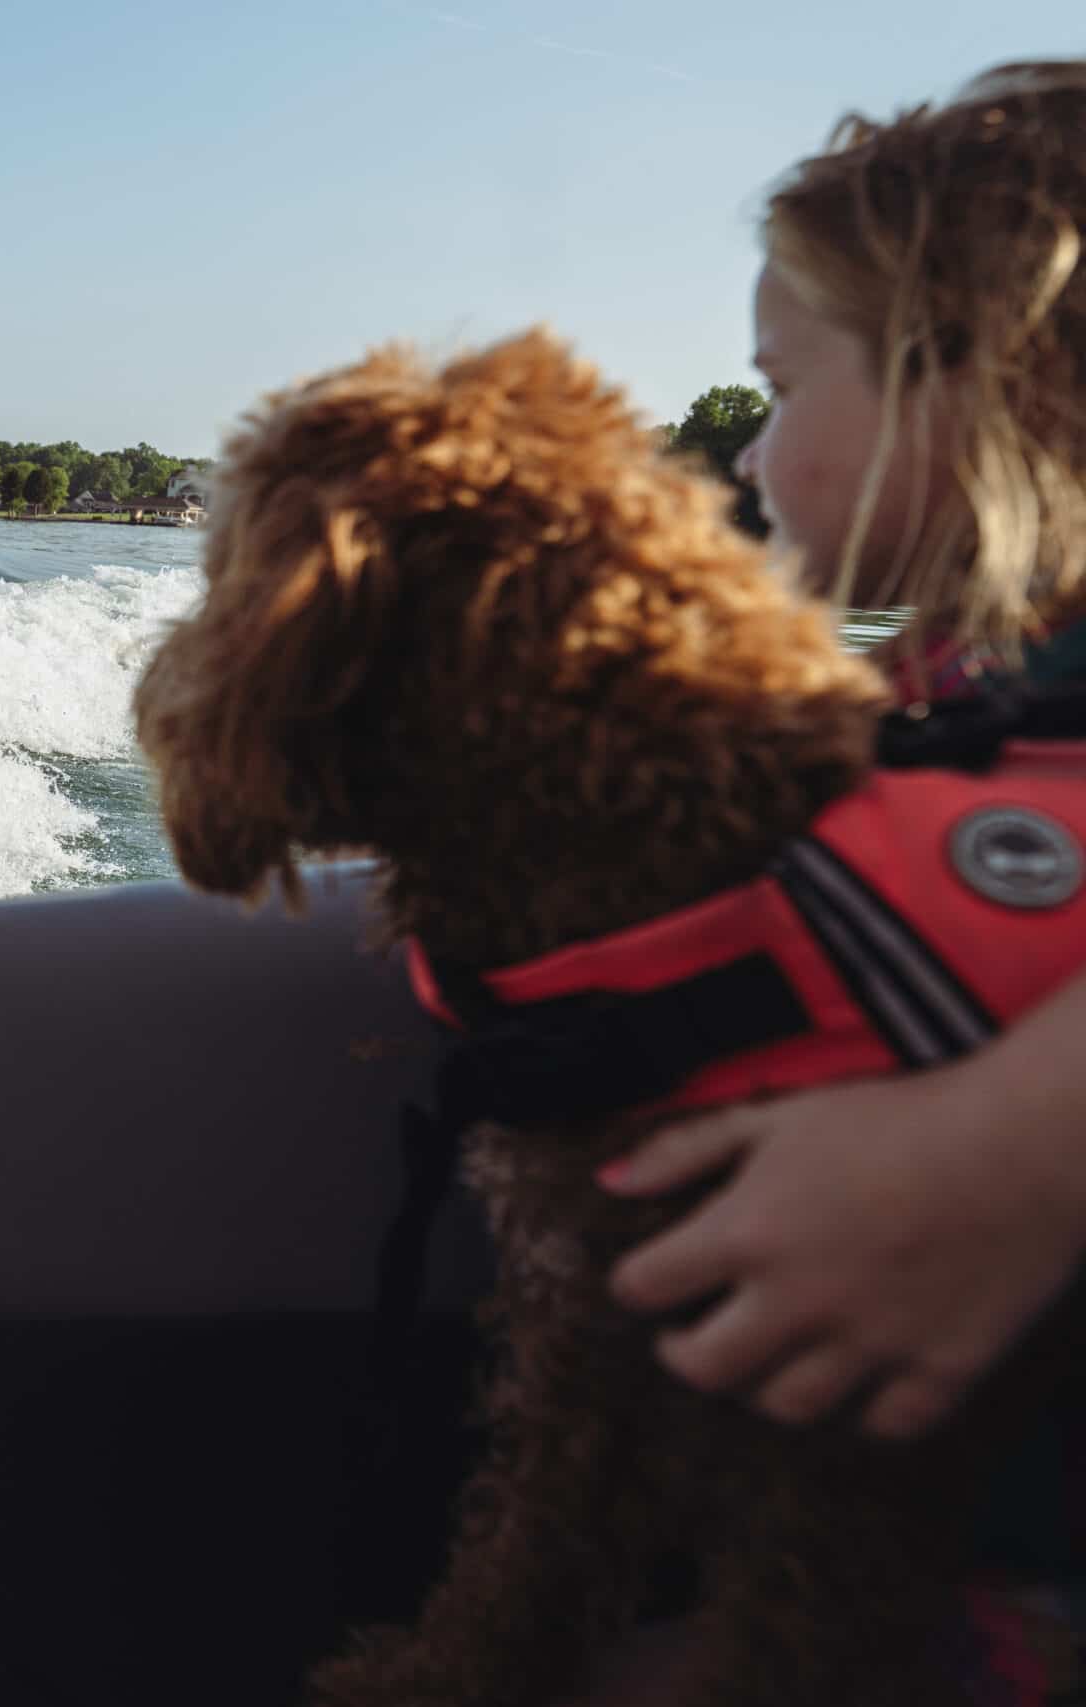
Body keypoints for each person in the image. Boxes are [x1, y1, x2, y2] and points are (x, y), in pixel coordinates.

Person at [576, 58, 1086, 1704]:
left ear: (986, 385)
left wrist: (1008, 1146)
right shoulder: (967, 692)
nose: (755, 441)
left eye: (783, 384)